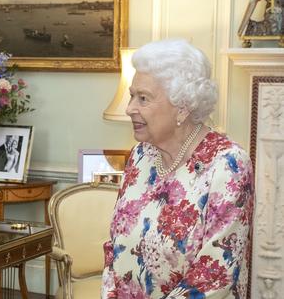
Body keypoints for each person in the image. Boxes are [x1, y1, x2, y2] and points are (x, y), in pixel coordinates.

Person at [101, 39, 254, 298]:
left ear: (182, 106)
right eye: (131, 96)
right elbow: (114, 248)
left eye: (143, 98)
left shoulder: (228, 164)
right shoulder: (141, 155)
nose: (130, 108)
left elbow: (214, 275)